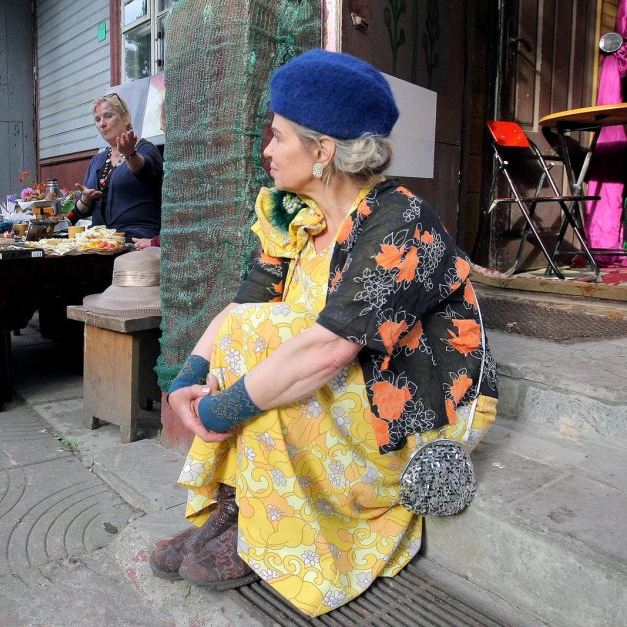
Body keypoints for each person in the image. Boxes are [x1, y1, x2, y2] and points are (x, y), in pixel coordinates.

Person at [149, 50, 499, 618]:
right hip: (342, 377)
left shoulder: (401, 222)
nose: (266, 150)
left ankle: (267, 531)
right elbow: (241, 310)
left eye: (277, 136)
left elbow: (328, 350)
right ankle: (241, 507)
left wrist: (218, 410)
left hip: (409, 404)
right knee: (261, 329)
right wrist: (190, 375)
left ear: (322, 151)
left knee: (281, 347)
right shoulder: (296, 215)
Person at [71, 93, 163, 245]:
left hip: (136, 238)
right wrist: (85, 199)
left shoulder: (145, 148)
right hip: (99, 241)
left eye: (108, 116)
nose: (102, 124)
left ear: (126, 118)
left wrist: (130, 154)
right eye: (97, 119)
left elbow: (144, 170)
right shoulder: (97, 160)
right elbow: (82, 212)